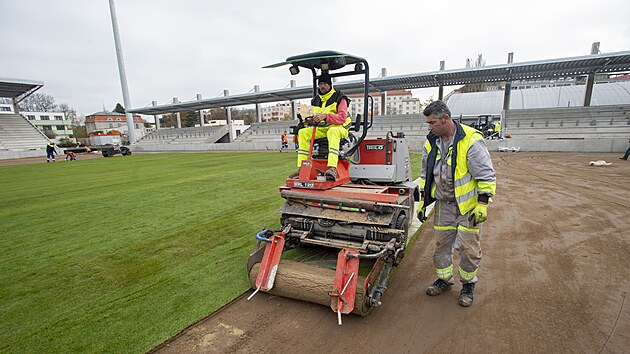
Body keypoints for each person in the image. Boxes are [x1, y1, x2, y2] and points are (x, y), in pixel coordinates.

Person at [418, 101, 496, 307]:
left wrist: (482, 203)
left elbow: (486, 175)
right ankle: (444, 280)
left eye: (432, 122)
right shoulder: (430, 142)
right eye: (428, 123)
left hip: (468, 206)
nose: (429, 127)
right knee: (441, 245)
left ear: (445, 119)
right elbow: (426, 175)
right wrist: (423, 202)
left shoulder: (470, 140)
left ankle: (468, 285)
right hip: (444, 205)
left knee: (468, 248)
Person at [289, 72, 352, 180]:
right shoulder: (315, 100)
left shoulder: (339, 97)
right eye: (320, 84)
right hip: (323, 128)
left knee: (332, 131)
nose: (322, 86)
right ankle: (302, 169)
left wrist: (325, 116)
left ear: (330, 84)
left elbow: (342, 118)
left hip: (340, 127)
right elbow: (317, 117)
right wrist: (308, 121)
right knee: (302, 133)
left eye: (324, 83)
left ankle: (332, 167)